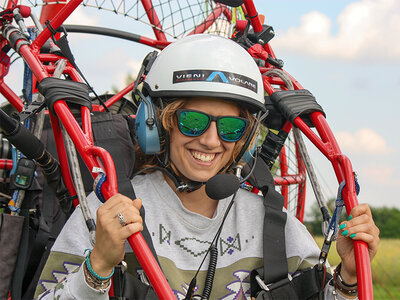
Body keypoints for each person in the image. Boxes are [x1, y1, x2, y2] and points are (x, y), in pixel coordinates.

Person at [34, 34, 379, 300]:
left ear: (246, 139)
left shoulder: (272, 222)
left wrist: (348, 278)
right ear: (157, 123)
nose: (212, 141)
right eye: (193, 121)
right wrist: (98, 267)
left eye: (231, 128)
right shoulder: (109, 213)